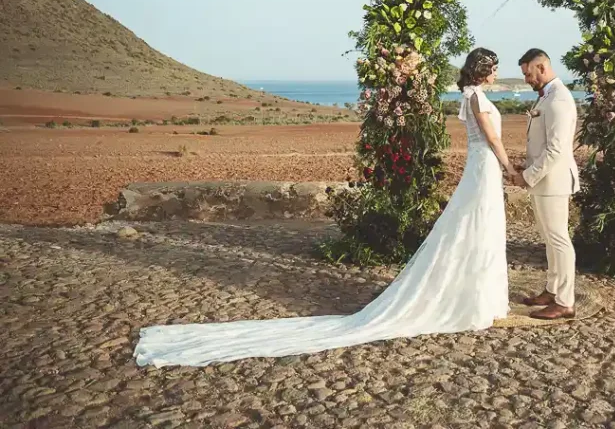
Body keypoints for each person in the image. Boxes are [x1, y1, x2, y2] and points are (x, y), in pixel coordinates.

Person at [134, 48, 514, 367]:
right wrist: (509, 166)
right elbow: (493, 138)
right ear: (484, 70)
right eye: (494, 68)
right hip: (484, 166)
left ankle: (476, 292)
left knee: (475, 226)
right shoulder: (476, 98)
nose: (497, 73)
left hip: (480, 168)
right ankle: (474, 297)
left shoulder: (471, 96)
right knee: (477, 225)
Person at [514, 48, 580, 320]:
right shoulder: (546, 97)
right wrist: (527, 168)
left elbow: (555, 150)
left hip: (554, 182)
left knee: (559, 239)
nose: (526, 79)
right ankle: (552, 290)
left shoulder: (559, 99)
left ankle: (565, 301)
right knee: (549, 239)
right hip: (544, 181)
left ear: (541, 67)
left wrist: (527, 176)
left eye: (528, 73)